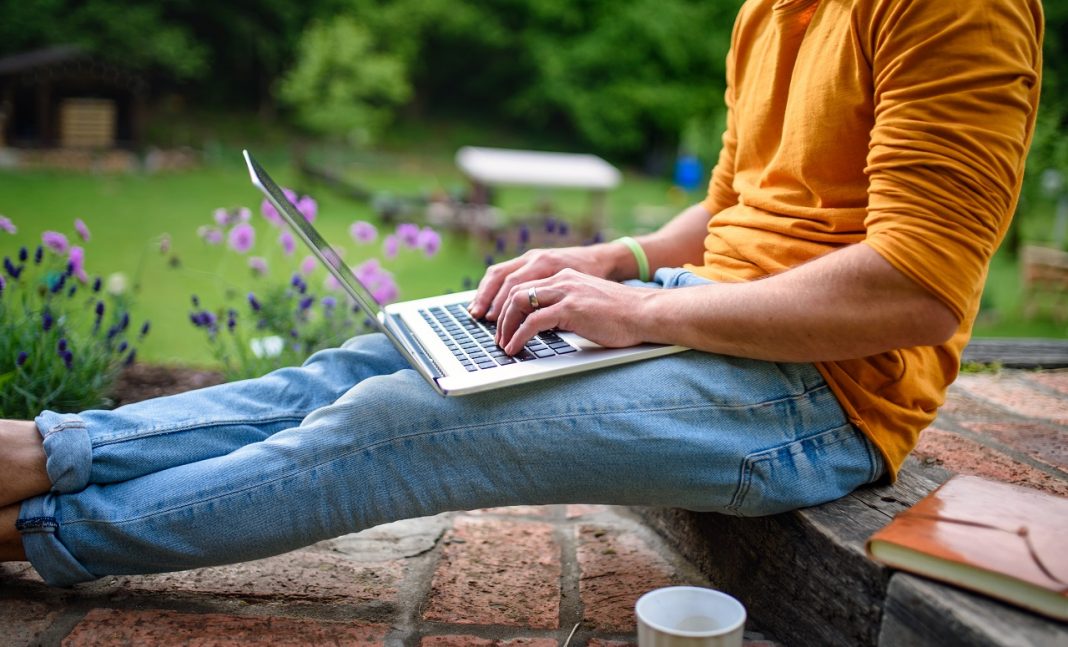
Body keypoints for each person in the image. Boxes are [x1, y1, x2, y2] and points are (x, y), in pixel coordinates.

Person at [0, 0, 1043, 587]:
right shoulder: (772, 8)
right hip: (708, 312)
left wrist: (645, 314)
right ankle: (44, 450)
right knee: (377, 357)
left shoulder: (960, 9)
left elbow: (916, 286)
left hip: (824, 394)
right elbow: (731, 212)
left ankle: (42, 529)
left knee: (396, 423)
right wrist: (618, 261)